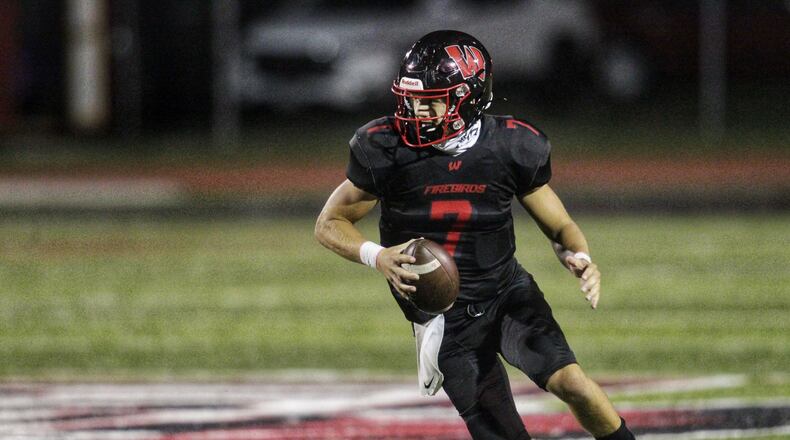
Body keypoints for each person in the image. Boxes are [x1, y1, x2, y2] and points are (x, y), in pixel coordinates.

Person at [314, 30, 635, 440]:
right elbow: (329, 223)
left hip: (506, 293)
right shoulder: (385, 148)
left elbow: (560, 225)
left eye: (430, 101)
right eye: (410, 100)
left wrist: (579, 255)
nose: (416, 112)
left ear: (467, 98)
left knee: (574, 384)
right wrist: (377, 256)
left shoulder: (511, 144)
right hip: (442, 318)